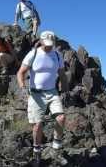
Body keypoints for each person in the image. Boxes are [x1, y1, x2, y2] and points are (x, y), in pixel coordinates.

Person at [16, 31, 69, 162]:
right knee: (38, 125)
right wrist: (23, 87)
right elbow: (20, 73)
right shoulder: (33, 54)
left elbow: (62, 74)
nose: (49, 47)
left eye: (51, 44)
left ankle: (56, 147)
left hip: (52, 92)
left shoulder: (57, 55)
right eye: (47, 44)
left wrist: (66, 90)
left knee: (61, 118)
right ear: (40, 41)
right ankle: (37, 152)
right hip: (36, 94)